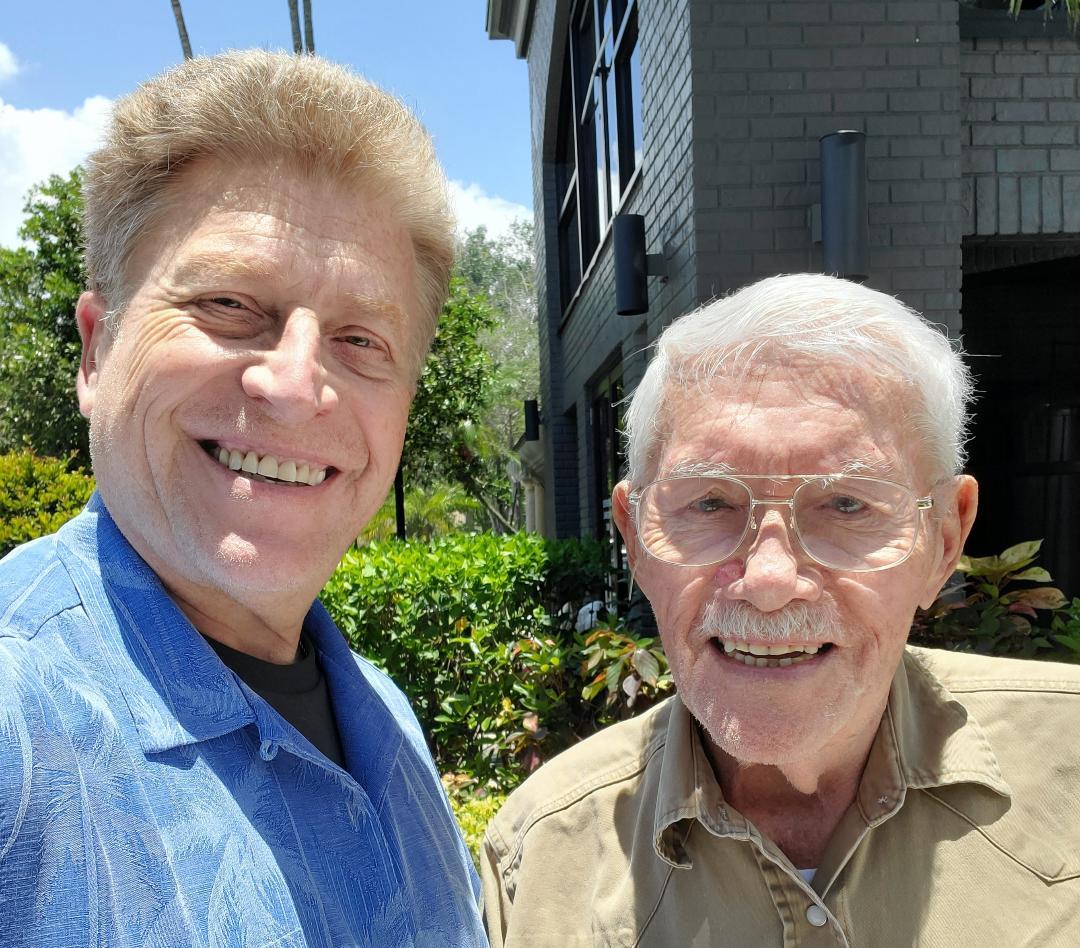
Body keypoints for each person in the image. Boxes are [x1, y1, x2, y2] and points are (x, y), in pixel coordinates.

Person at [0, 50, 487, 947]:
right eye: (229, 303)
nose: (297, 384)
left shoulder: (388, 721)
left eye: (361, 339)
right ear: (96, 351)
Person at [481, 274, 1080, 946]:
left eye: (847, 504)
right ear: (635, 539)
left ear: (943, 539)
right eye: (709, 503)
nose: (768, 582)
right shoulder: (535, 868)